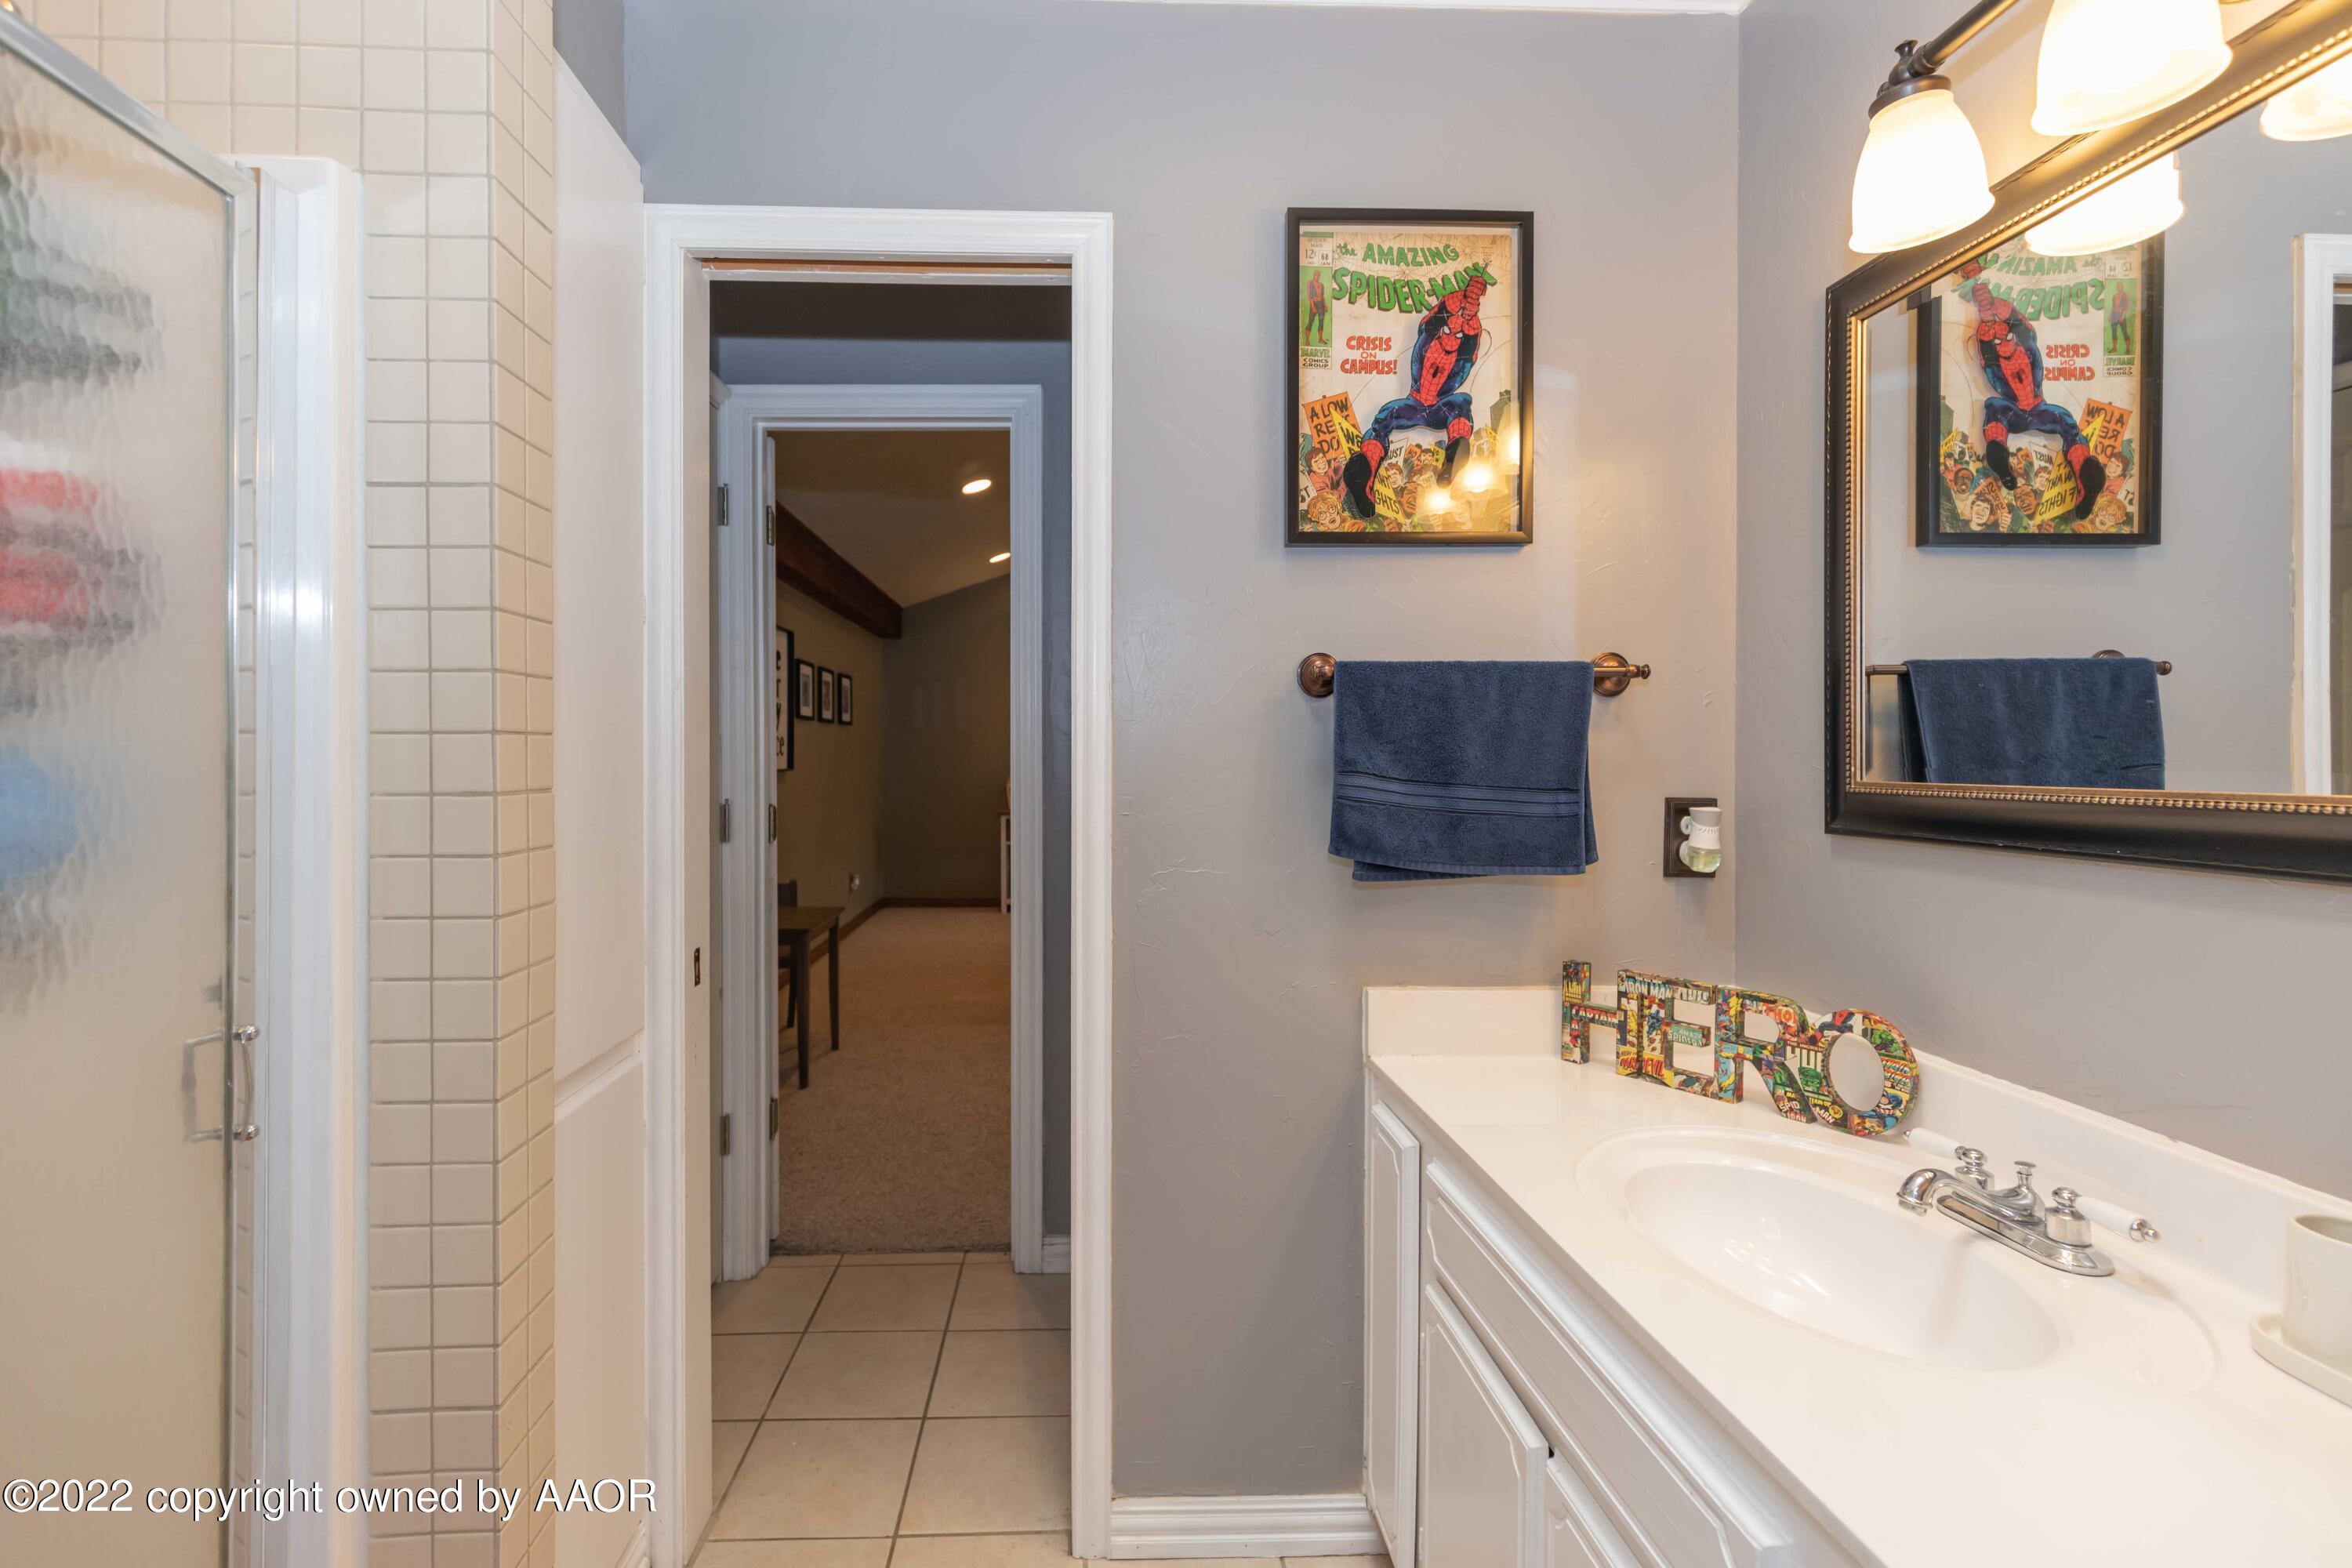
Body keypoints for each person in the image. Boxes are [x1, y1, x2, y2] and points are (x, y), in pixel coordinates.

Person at [1957, 259, 2106, 522]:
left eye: (2006, 337)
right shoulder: (1990, 344)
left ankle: (2085, 475)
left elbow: (2020, 324)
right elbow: (1987, 348)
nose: (2002, 342)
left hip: (2037, 407)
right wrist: (1987, 314)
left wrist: (1994, 307)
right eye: (1996, 340)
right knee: (1994, 407)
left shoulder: (2025, 341)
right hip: (2014, 410)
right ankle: (2000, 457)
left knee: (2065, 421)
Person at [1342, 274, 1486, 520]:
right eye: (1448, 330)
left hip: (1435, 405)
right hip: (1421, 403)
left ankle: (1455, 450)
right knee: (1388, 416)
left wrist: (1469, 312)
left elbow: (1469, 342)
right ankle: (1365, 469)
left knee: (1460, 402)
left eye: (1458, 336)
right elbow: (1437, 318)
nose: (1451, 336)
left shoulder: (1458, 350)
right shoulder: (1430, 337)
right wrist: (1463, 301)